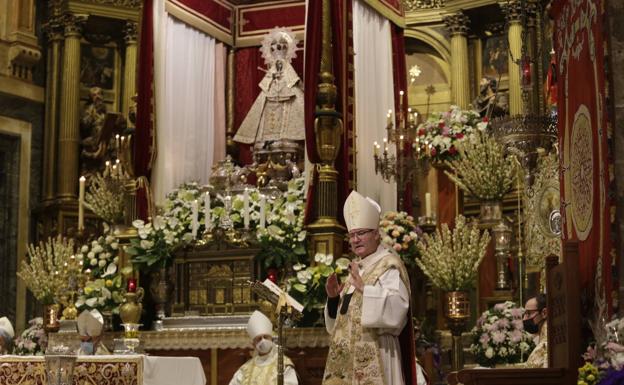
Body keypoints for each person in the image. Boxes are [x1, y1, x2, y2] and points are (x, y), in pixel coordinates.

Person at [322, 191, 416, 385]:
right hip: (347, 359)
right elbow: (342, 321)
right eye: (352, 235)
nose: (355, 240)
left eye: (361, 233)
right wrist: (333, 300)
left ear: (376, 234)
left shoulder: (388, 264)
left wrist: (367, 290)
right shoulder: (357, 268)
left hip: (378, 352)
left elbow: (398, 309)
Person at [233, 27, 304, 148]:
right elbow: (266, 82)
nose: (277, 48)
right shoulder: (273, 68)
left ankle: (284, 137)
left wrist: (283, 77)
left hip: (286, 91)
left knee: (290, 109)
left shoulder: (287, 67)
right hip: (272, 93)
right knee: (266, 110)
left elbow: (292, 78)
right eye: (274, 47)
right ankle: (266, 139)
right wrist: (273, 76)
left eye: (280, 46)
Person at [229, 310, 298, 385]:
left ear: (271, 339)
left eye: (265, 337)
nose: (263, 341)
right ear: (253, 344)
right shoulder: (246, 369)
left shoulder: (283, 364)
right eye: (259, 339)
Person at [523, 293, 548, 368]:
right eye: (524, 314)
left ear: (544, 313)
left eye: (528, 313)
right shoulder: (541, 337)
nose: (524, 319)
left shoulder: (546, 344)